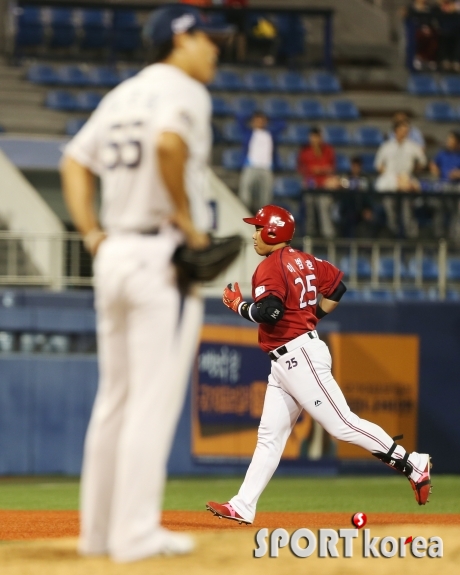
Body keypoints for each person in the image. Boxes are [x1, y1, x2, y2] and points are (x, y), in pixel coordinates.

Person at [60, 5, 218, 562]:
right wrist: (189, 224)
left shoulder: (124, 93)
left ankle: (97, 534)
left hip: (115, 253)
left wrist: (93, 235)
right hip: (158, 255)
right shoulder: (185, 91)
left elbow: (75, 161)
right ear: (180, 39)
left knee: (115, 400)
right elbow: (170, 144)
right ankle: (135, 534)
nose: (215, 48)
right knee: (150, 400)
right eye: (206, 38)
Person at [205, 205, 432, 525]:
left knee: (342, 424)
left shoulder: (271, 266)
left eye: (258, 228)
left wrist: (239, 305)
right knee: (270, 436)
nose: (254, 234)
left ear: (272, 232)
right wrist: (313, 318)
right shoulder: (307, 261)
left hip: (299, 357)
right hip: (290, 358)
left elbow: (270, 312)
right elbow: (337, 287)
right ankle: (243, 505)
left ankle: (412, 463)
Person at [375, 119, 426, 237]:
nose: (405, 132)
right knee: (389, 205)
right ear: (396, 130)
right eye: (403, 130)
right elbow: (378, 165)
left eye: (407, 130)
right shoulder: (386, 146)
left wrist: (413, 171)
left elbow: (422, 162)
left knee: (407, 208)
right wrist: (391, 177)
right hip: (390, 180)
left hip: (406, 179)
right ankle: (393, 231)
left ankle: (410, 235)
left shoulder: (413, 146)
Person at [238, 111, 283, 213]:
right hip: (250, 167)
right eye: (257, 120)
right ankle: (244, 217)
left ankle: (262, 222)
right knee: (245, 196)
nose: (259, 122)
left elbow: (282, 124)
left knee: (265, 198)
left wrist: (268, 117)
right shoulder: (248, 133)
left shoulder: (270, 134)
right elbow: (239, 119)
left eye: (261, 120)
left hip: (266, 168)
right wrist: (251, 115)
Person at [297, 127, 337, 238]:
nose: (315, 139)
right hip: (311, 185)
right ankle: (310, 235)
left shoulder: (328, 150)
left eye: (317, 137)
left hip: (324, 185)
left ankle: (328, 236)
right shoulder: (305, 151)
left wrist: (319, 170)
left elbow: (331, 168)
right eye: (313, 137)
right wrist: (316, 170)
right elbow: (302, 169)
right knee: (309, 206)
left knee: (324, 206)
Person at [405, 0, 438, 70]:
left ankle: (429, 59)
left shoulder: (430, 8)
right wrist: (422, 28)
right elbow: (411, 20)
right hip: (416, 29)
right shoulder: (412, 8)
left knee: (433, 37)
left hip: (428, 29)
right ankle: (418, 58)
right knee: (418, 36)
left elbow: (431, 19)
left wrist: (428, 28)